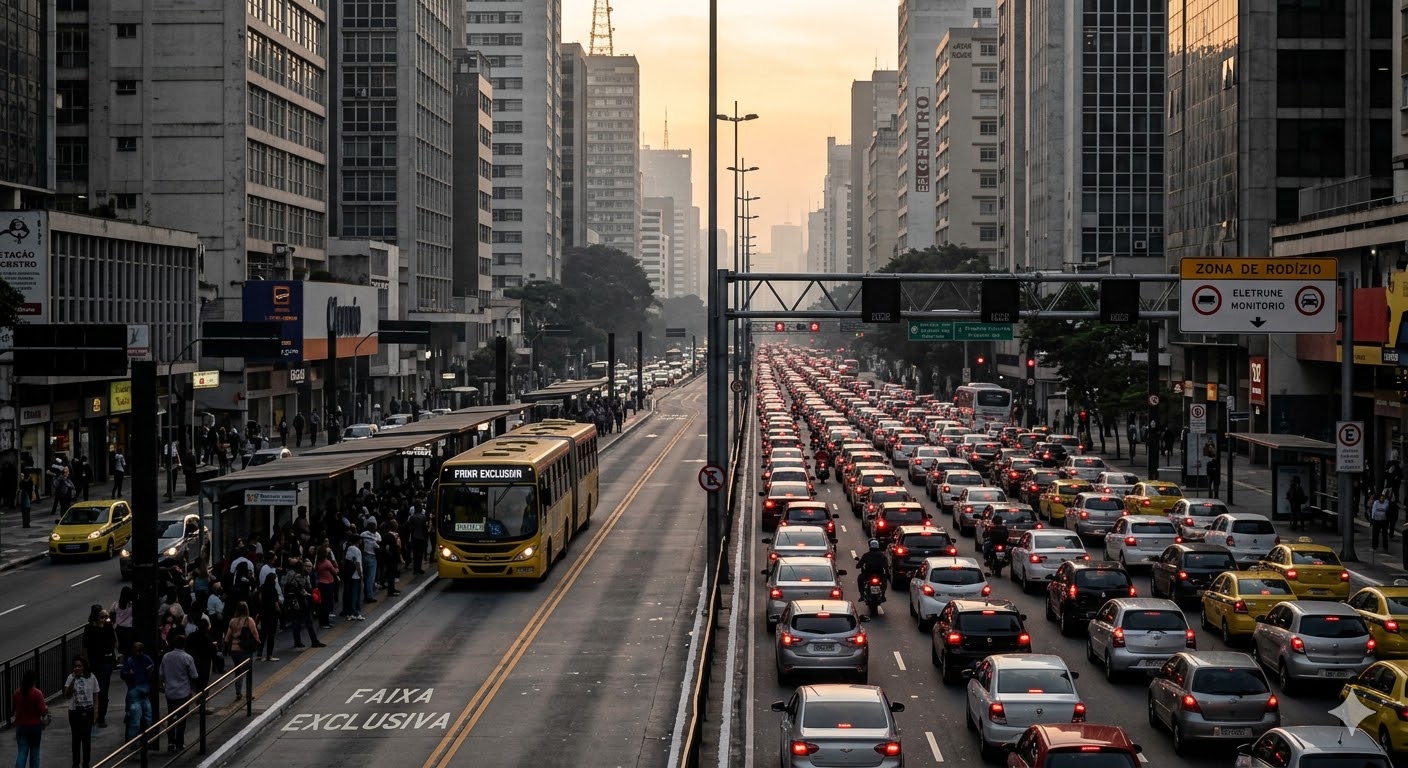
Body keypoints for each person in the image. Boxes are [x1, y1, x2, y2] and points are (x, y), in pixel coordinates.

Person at [159, 633, 198, 752]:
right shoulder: (188, 658)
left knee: (171, 716)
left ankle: (171, 741)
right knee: (182, 718)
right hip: (183, 692)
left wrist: (162, 685)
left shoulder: (166, 656)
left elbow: (161, 674)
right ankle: (180, 742)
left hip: (170, 691)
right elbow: (194, 675)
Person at [82, 605, 117, 728]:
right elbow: (85, 648)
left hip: (106, 662)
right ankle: (94, 715)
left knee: (103, 691)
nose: (103, 619)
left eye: (105, 617)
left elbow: (113, 642)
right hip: (94, 663)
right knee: (93, 691)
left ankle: (101, 716)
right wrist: (87, 663)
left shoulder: (107, 627)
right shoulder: (89, 629)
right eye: (101, 617)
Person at [64, 655, 98, 768]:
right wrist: (73, 681)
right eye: (75, 666)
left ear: (84, 667)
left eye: (79, 666)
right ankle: (75, 762)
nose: (77, 668)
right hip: (74, 712)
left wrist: (95, 715)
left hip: (87, 710)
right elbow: (67, 696)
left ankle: (86, 763)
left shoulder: (91, 677)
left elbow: (95, 697)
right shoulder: (70, 677)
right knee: (76, 738)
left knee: (86, 739)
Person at [119, 641, 155, 741]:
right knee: (144, 717)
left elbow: (124, 674)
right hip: (141, 689)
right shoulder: (143, 659)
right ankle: (141, 740)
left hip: (136, 689)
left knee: (137, 718)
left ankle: (135, 741)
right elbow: (150, 670)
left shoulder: (132, 660)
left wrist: (131, 676)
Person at [222, 602, 258, 699]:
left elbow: (227, 637)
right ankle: (248, 694)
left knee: (238, 671)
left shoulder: (232, 621)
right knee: (248, 672)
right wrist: (258, 642)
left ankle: (238, 692)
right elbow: (255, 633)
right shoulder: (249, 620)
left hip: (234, 650)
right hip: (245, 649)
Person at [12, 669, 46, 768]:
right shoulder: (37, 693)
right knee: (35, 753)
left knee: (22, 752)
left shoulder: (17, 693)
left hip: (21, 726)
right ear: (33, 680)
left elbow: (15, 708)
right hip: (35, 726)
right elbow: (43, 711)